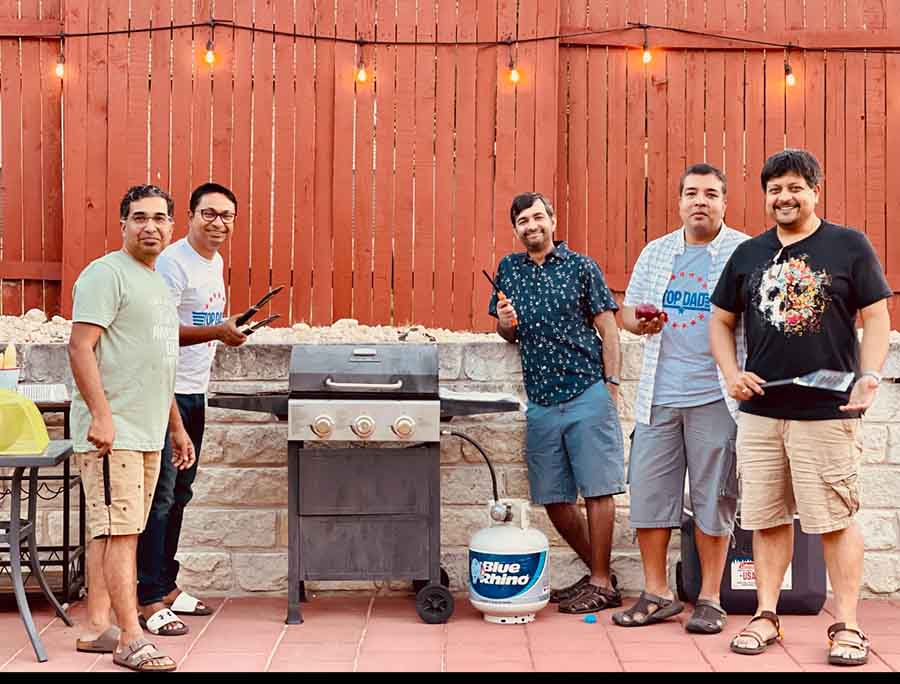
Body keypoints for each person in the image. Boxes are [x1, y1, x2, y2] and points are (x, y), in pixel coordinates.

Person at [710, 149, 891, 666]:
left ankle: (848, 625)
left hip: (828, 411)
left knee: (835, 519)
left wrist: (870, 376)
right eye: (775, 190)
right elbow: (719, 321)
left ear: (815, 190)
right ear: (765, 196)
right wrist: (732, 373)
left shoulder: (848, 245)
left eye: (795, 187)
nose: (784, 197)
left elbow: (877, 316)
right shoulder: (748, 254)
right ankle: (766, 615)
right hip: (762, 413)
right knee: (766, 519)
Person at [612, 164, 749, 632]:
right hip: (659, 395)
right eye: (691, 193)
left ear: (725, 202)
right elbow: (627, 313)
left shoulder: (743, 252)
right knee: (650, 495)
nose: (700, 201)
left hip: (716, 396)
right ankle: (657, 594)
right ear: (679, 202)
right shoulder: (657, 252)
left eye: (710, 194)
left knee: (714, 498)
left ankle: (710, 598)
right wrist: (639, 322)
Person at [68, 185, 194, 672]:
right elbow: (80, 347)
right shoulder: (106, 274)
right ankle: (130, 639)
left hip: (147, 431)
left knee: (115, 531)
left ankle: (97, 628)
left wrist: (176, 428)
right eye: (140, 217)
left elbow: (158, 365)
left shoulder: (157, 284)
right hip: (114, 432)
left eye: (160, 218)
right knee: (121, 533)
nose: (151, 227)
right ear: (123, 225)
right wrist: (102, 415)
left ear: (171, 227)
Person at [489, 192, 625, 614]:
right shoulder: (508, 269)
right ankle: (603, 577)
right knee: (553, 497)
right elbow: (508, 333)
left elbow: (608, 328)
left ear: (552, 219)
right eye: (522, 221)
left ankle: (600, 582)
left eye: (537, 217)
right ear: (515, 230)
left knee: (598, 489)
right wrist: (505, 323)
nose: (531, 226)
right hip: (542, 400)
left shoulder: (582, 266)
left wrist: (611, 385)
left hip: (586, 390)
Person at [137, 182, 247, 636]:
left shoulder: (213, 262)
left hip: (195, 391)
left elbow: (201, 324)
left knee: (181, 493)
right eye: (209, 213)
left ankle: (166, 585)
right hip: (166, 394)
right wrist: (218, 331)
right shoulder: (172, 264)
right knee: (160, 498)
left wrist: (225, 330)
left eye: (227, 216)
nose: (218, 223)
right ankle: (146, 597)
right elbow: (159, 332)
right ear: (190, 216)